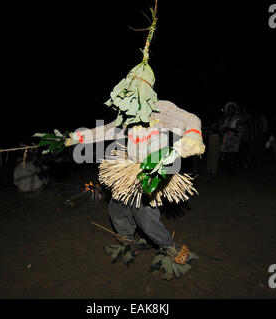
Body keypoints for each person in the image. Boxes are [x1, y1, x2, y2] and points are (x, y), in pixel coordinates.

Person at [63, 7, 204, 280]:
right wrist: (73, 138)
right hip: (127, 169)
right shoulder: (126, 113)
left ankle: (171, 248)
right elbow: (104, 130)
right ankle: (127, 242)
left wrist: (193, 138)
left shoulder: (162, 109)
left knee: (145, 216)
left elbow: (192, 119)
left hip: (151, 170)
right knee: (117, 207)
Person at [220, 101, 243, 176]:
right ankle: (229, 171)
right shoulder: (227, 119)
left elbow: (240, 129)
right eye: (229, 109)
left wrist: (228, 129)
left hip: (234, 140)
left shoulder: (238, 119)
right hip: (226, 140)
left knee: (232, 156)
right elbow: (224, 129)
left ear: (234, 110)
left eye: (232, 109)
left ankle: (231, 172)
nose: (230, 110)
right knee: (227, 156)